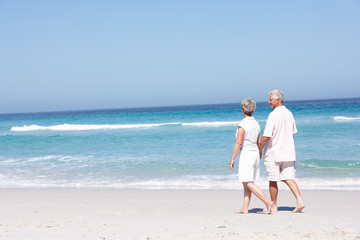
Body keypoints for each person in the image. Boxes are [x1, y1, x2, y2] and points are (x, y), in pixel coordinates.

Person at [260, 90, 305, 213]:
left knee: (273, 180)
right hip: (289, 152)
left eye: (270, 99)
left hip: (274, 153)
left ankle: (274, 205)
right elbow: (292, 134)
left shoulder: (273, 115)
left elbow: (267, 136)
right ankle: (300, 201)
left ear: (277, 100)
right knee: (289, 178)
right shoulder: (289, 113)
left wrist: (259, 147)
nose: (268, 102)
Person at [230, 98, 273, 214]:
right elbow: (259, 142)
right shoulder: (256, 124)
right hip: (254, 154)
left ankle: (268, 202)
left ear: (243, 110)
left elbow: (239, 142)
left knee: (248, 182)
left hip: (247, 154)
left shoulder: (243, 125)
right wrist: (259, 154)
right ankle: (245, 207)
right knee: (246, 182)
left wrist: (232, 158)